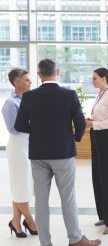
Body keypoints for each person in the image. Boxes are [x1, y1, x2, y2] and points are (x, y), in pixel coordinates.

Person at [14, 59, 101, 246]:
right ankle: (75, 239)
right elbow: (80, 124)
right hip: (63, 153)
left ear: (39, 74)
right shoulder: (69, 95)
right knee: (68, 199)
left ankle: (45, 243)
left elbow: (20, 125)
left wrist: (38, 132)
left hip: (38, 154)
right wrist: (73, 138)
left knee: (41, 202)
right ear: (58, 72)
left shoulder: (29, 97)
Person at [1, 69, 37, 238]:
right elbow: (12, 128)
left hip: (29, 145)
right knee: (21, 184)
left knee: (23, 185)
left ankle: (16, 220)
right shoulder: (10, 103)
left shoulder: (30, 99)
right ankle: (30, 221)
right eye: (27, 80)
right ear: (16, 82)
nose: (30, 83)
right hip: (18, 146)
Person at [85, 68, 108, 235]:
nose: (92, 81)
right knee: (97, 177)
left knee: (106, 179)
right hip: (95, 136)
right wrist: (92, 122)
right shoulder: (100, 94)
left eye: (94, 78)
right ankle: (103, 215)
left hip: (105, 138)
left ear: (104, 78)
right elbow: (101, 117)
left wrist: (95, 124)